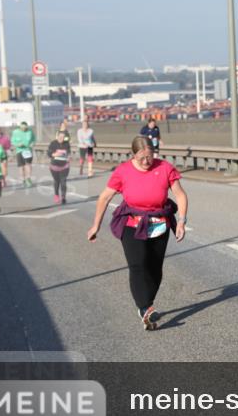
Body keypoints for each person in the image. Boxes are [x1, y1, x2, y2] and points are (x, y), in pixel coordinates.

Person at [87, 136, 188, 330]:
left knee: (155, 267)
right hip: (132, 223)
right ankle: (145, 307)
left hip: (159, 223)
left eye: (149, 156)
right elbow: (104, 197)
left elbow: (180, 194)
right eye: (141, 158)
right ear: (133, 155)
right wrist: (95, 225)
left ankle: (146, 307)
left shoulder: (165, 168)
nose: (146, 161)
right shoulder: (123, 171)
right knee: (138, 264)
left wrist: (181, 222)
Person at [47, 129, 71, 204]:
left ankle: (63, 197)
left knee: (63, 181)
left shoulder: (66, 144)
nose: (61, 138)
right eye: (60, 137)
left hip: (64, 166)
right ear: (57, 136)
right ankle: (56, 195)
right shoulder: (53, 143)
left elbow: (68, 152)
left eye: (63, 137)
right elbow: (49, 153)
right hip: (54, 166)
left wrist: (69, 157)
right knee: (57, 181)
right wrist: (54, 154)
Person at [10, 121, 35, 187]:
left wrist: (32, 143)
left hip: (27, 150)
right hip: (19, 151)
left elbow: (33, 139)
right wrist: (18, 144)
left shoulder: (30, 131)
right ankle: (23, 179)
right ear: (20, 127)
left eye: (25, 128)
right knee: (21, 166)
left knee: (28, 164)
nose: (24, 129)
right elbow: (12, 141)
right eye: (22, 128)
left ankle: (28, 178)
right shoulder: (15, 132)